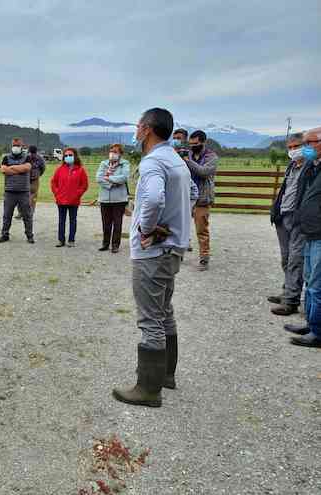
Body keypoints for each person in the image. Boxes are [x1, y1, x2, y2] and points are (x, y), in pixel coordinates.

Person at [112, 108, 192, 408]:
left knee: (150, 318)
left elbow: (154, 198)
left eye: (137, 126)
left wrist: (148, 228)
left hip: (153, 253)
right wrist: (173, 221)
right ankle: (166, 375)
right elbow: (192, 191)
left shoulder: (153, 162)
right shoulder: (176, 160)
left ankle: (148, 388)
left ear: (146, 129)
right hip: (172, 249)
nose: (135, 131)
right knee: (164, 311)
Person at [288, 126, 321, 348]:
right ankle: (311, 323)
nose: (306, 148)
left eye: (310, 143)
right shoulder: (313, 167)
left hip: (319, 232)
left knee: (317, 284)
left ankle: (318, 332)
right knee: (310, 279)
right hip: (309, 231)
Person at [268, 133, 307, 316]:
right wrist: (275, 210)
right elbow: (285, 190)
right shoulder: (291, 166)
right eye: (290, 147)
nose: (292, 150)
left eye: (296, 146)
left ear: (305, 146)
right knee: (286, 257)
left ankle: (291, 300)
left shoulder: (310, 167)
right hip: (283, 216)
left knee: (295, 259)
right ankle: (287, 290)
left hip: (299, 218)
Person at [184, 130, 218, 271]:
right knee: (181, 227)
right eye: (190, 144)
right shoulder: (189, 154)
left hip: (202, 199)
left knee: (201, 229)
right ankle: (178, 253)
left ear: (203, 142)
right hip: (187, 196)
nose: (192, 146)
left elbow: (204, 172)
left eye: (196, 143)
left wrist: (188, 161)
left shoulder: (212, 157)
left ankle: (204, 258)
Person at [0, 138, 34, 243]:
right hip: (9, 192)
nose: (16, 147)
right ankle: (5, 235)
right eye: (14, 145)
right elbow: (3, 169)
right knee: (7, 215)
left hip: (24, 192)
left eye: (18, 145)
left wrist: (11, 168)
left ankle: (29, 236)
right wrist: (19, 169)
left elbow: (27, 168)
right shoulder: (6, 158)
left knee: (27, 215)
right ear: (11, 146)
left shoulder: (27, 157)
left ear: (22, 147)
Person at [50, 147, 89, 247]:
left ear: (75, 156)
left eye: (70, 155)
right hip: (61, 200)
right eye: (66, 155)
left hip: (74, 201)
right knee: (61, 221)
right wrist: (57, 193)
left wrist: (77, 194)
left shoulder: (80, 170)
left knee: (73, 221)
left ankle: (71, 240)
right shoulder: (59, 169)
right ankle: (61, 240)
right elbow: (53, 182)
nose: (68, 157)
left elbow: (84, 185)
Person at [96, 143, 130, 253]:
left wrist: (108, 178)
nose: (112, 154)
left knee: (117, 223)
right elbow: (99, 178)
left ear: (120, 154)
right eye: (111, 151)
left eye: (115, 152)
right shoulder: (104, 163)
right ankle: (105, 243)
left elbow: (124, 178)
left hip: (119, 199)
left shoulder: (125, 164)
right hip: (105, 199)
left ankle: (115, 245)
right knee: (106, 223)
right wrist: (112, 183)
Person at [172, 129, 199, 251]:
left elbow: (195, 169)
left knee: (186, 217)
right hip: (174, 189)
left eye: (179, 138)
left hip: (188, 188)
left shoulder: (190, 154)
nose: (176, 140)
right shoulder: (170, 152)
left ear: (185, 139)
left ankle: (185, 240)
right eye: (174, 137)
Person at [16, 145, 46, 219]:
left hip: (25, 179)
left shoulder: (25, 157)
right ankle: (30, 214)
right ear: (36, 150)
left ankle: (20, 213)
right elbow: (43, 168)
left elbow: (20, 167)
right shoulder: (40, 158)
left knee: (22, 196)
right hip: (35, 180)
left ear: (29, 150)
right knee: (33, 197)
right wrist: (38, 174)